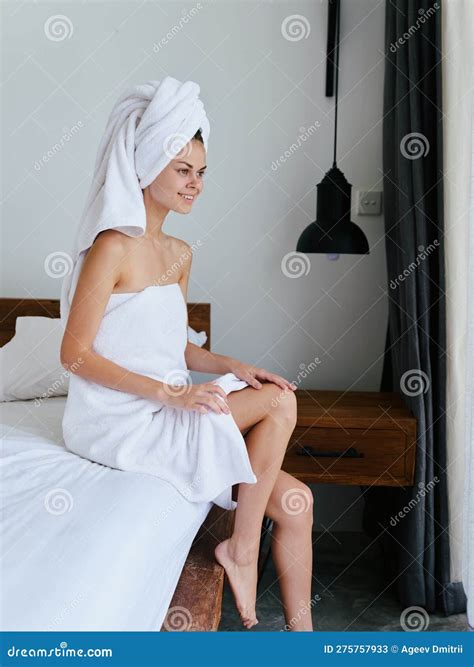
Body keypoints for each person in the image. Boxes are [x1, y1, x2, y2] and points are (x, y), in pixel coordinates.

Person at [60, 78, 314, 631]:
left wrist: (230, 366)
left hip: (173, 403)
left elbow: (170, 345)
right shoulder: (111, 248)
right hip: (124, 422)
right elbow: (74, 355)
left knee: (298, 502)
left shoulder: (178, 252)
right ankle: (242, 552)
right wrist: (171, 393)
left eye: (201, 171)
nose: (195, 183)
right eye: (182, 170)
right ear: (148, 164)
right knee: (276, 405)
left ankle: (305, 645)